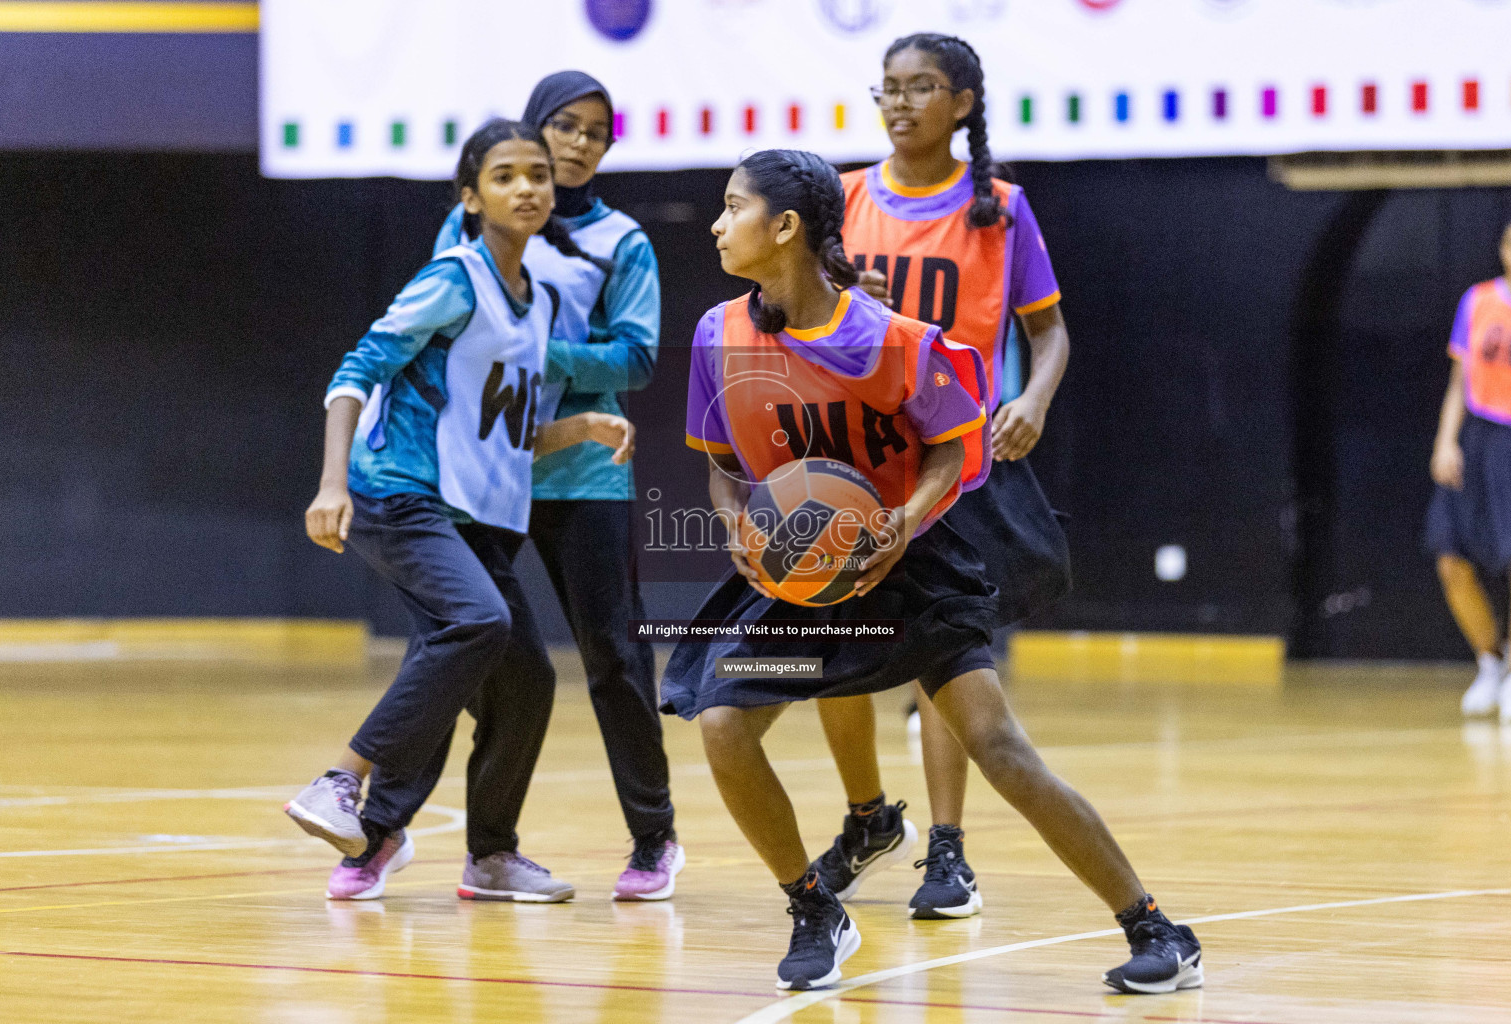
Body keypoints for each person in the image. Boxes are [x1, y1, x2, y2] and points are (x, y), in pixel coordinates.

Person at [663, 148, 1203, 995]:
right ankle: (814, 910)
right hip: (803, 572)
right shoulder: (717, 335)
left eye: (733, 207)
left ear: (786, 228)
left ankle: (1157, 929)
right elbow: (724, 465)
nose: (718, 224)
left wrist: (905, 518)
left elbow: (955, 450)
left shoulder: (897, 342)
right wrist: (735, 520)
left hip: (910, 568)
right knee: (722, 722)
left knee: (1000, 748)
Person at [283, 118, 636, 904]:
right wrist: (332, 483)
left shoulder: (537, 300)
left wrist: (577, 428)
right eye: (505, 176)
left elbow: (500, 430)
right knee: (478, 623)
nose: (528, 188)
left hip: (470, 512)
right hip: (396, 490)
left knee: (526, 682)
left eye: (538, 174)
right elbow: (355, 371)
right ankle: (342, 781)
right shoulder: (453, 277)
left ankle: (480, 856)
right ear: (470, 197)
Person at [388, 71, 682, 901]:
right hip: (487, 468)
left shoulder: (622, 240)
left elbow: (636, 358)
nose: (579, 143)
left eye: (596, 132)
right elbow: (435, 331)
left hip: (583, 471)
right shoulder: (470, 223)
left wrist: (528, 347)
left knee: (615, 656)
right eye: (564, 126)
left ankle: (654, 839)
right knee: (455, 649)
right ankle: (382, 832)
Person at [809, 31, 1073, 921]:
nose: (899, 102)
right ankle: (866, 818)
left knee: (939, 658)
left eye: (921, 87)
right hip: (854, 458)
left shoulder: (998, 206)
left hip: (954, 465)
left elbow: (1049, 334)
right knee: (829, 649)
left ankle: (948, 853)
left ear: (961, 102)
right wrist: (853, 307)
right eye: (888, 87)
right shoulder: (839, 199)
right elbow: (797, 322)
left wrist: (1031, 400)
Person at [1426, 207, 1511, 724]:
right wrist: (1447, 441)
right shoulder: (1479, 300)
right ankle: (1489, 661)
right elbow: (1458, 381)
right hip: (1477, 436)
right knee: (1450, 557)